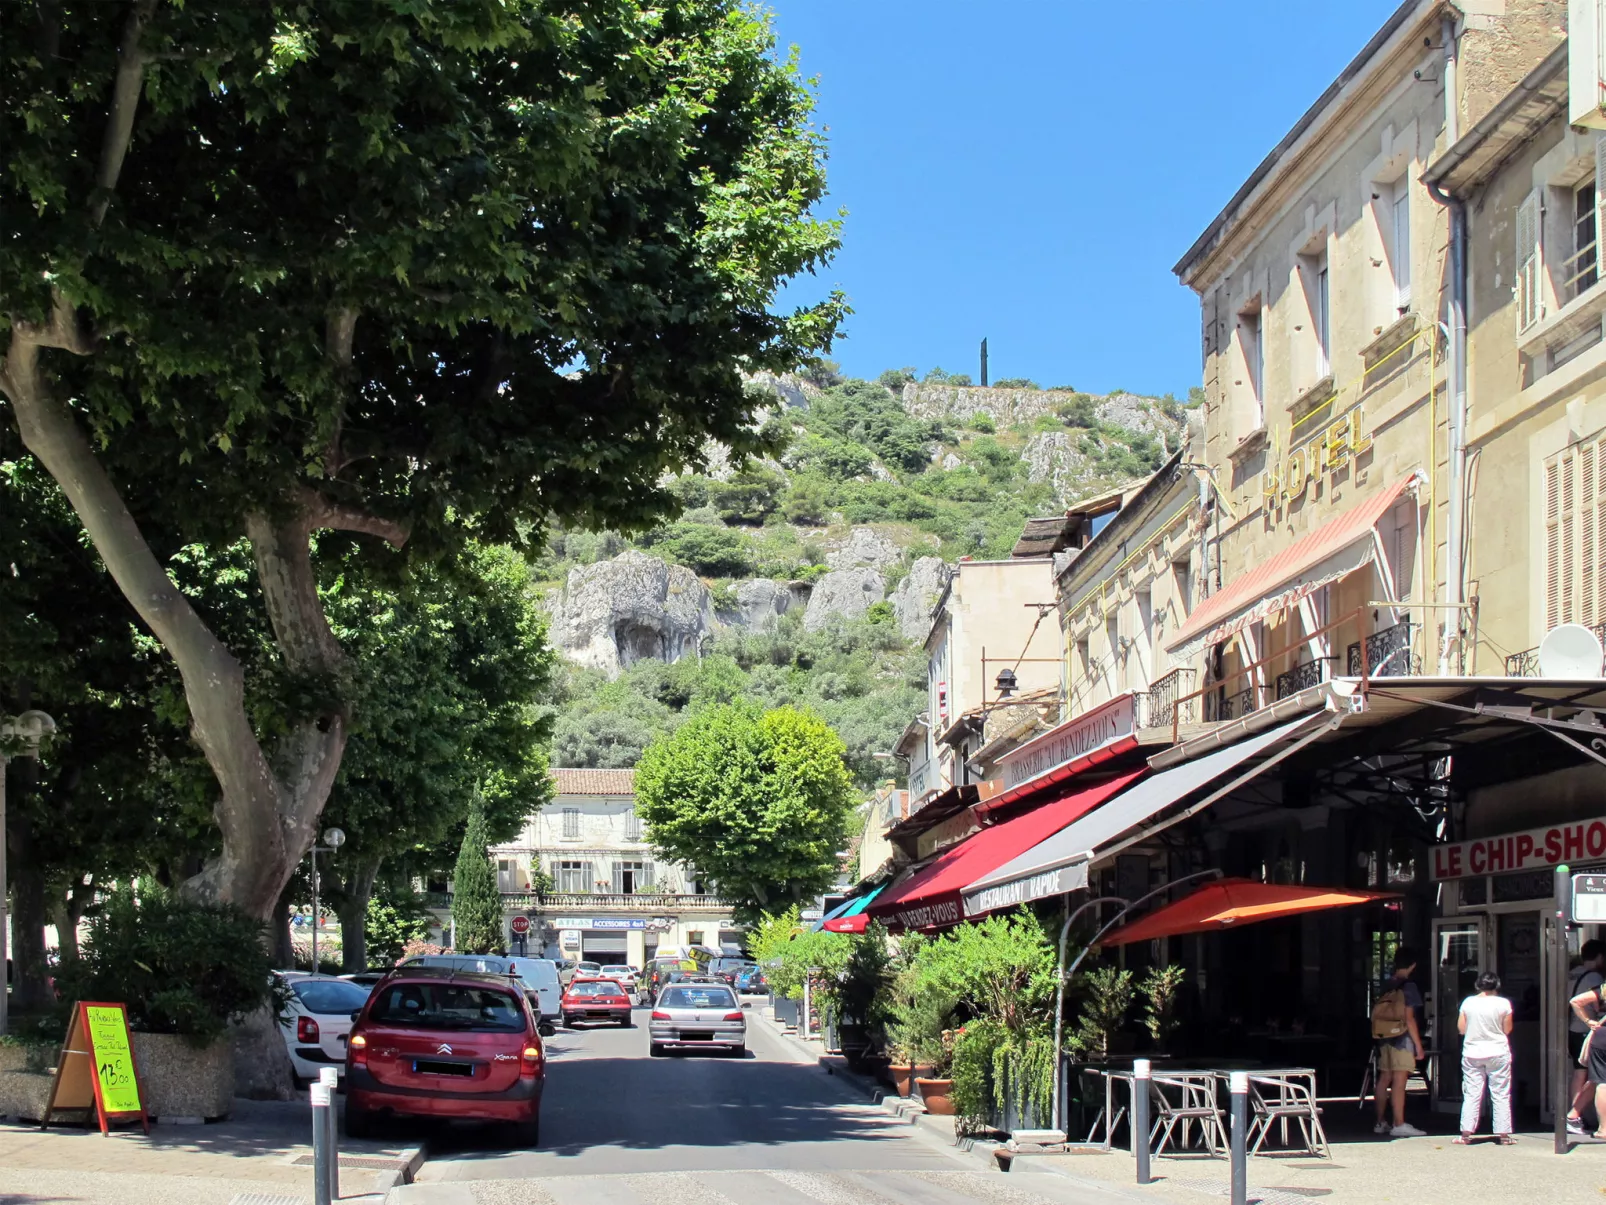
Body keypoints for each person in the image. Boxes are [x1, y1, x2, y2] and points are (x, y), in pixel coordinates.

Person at [1373, 946, 1427, 1137]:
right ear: (1413, 965)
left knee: (1384, 1078)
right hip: (1402, 1037)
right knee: (1399, 1080)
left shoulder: (1387, 984)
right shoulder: (1409, 986)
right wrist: (1419, 1046)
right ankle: (1399, 1123)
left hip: (1383, 1037)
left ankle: (1380, 1122)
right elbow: (1409, 1018)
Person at [1455, 971, 1515, 1145]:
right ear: (1497, 985)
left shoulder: (1468, 1003)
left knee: (1472, 1093)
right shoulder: (1504, 1003)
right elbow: (1507, 1029)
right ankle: (1503, 1134)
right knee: (1501, 1093)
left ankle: (1466, 1133)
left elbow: (1461, 1029)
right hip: (1498, 1051)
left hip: (1472, 1052)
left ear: (1478, 985)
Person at [1566, 940, 1606, 1136]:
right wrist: (1590, 1020)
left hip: (1573, 1029)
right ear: (1599, 957)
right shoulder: (1595, 978)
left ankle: (1575, 1116)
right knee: (1596, 1077)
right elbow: (1598, 1004)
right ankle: (1576, 1115)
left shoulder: (1572, 973)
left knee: (1580, 1073)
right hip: (1588, 1031)